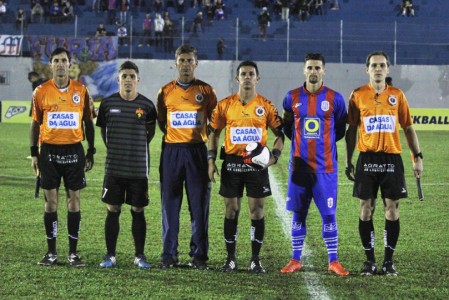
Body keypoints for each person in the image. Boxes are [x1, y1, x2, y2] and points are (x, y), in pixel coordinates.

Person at [345, 51, 423, 276]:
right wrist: (350, 160)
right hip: (367, 158)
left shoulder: (397, 95)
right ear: (366, 69)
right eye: (374, 65)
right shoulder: (358, 95)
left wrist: (417, 158)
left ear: (387, 69)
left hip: (392, 159)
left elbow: (408, 128)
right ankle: (369, 261)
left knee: (392, 209)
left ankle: (388, 261)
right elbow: (352, 129)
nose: (378, 69)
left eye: (382, 65)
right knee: (366, 209)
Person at [208, 60, 284, 273]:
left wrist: (274, 157)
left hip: (256, 166)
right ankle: (230, 259)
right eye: (244, 74)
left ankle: (255, 259)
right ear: (237, 78)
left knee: (256, 211)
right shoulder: (225, 105)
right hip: (232, 163)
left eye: (251, 74)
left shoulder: (266, 106)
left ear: (257, 78)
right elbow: (213, 132)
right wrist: (211, 160)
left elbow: (280, 135)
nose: (247, 77)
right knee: (231, 210)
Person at [280, 53, 349, 276]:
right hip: (299, 167)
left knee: (329, 215)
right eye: (310, 67)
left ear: (323, 71)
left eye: (317, 68)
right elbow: (288, 126)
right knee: (298, 214)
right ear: (304, 70)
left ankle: (333, 261)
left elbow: (340, 130)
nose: (313, 72)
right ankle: (295, 259)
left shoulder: (335, 99)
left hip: (325, 169)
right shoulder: (291, 97)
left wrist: (323, 144)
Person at [30, 47, 95, 267]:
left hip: (74, 151)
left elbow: (88, 122)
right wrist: (34, 154)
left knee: (74, 201)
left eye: (64, 60)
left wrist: (91, 150)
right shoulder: (40, 91)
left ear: (70, 64)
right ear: (51, 65)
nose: (60, 64)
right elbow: (35, 124)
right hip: (48, 152)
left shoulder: (81, 90)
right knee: (51, 203)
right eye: (56, 60)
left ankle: (73, 253)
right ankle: (51, 253)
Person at [157, 44, 217, 270]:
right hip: (172, 151)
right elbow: (162, 122)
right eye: (181, 60)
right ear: (175, 63)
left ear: (196, 64)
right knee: (170, 204)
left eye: (189, 61)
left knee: (199, 205)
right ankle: (168, 255)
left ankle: (199, 256)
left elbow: (213, 125)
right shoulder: (165, 91)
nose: (185, 65)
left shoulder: (207, 91)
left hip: (197, 152)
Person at [96, 60, 157, 269]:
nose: (128, 80)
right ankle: (110, 255)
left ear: (138, 80)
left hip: (139, 169)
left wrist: (136, 147)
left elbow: (150, 132)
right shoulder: (107, 104)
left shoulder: (147, 105)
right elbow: (103, 131)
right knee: (113, 209)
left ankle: (139, 256)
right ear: (118, 79)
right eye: (124, 76)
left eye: (132, 76)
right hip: (114, 167)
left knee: (138, 209)